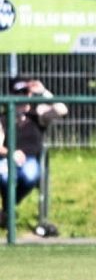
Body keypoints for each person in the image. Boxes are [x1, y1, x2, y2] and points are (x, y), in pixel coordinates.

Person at [0, 77, 68, 229]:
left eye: (25, 92)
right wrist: (11, 153)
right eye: (18, 93)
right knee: (3, 175)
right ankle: (7, 211)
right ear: (11, 94)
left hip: (31, 160)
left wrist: (43, 91)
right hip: (7, 160)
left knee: (30, 175)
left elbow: (62, 109)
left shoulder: (37, 113)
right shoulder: (4, 118)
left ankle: (6, 211)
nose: (23, 97)